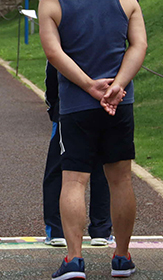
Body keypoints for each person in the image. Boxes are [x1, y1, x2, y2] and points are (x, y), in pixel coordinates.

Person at [38, 0, 147, 280]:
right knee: (120, 179)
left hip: (77, 105)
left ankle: (73, 258)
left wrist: (89, 86)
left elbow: (53, 53)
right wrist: (117, 85)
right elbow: (139, 45)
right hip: (120, 102)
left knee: (74, 180)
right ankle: (121, 256)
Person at [42, 61, 112, 247]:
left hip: (68, 109)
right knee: (104, 168)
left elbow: (52, 75)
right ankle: (101, 230)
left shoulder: (65, 36)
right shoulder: (112, 35)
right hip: (105, 106)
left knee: (62, 170)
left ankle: (57, 230)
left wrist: (54, 108)